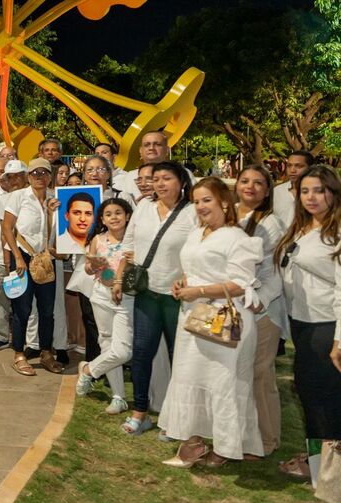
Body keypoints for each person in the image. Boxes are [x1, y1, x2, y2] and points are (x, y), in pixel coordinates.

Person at [158, 178, 263, 467]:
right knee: (189, 378)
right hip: (193, 319)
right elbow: (193, 268)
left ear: (224, 202)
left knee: (223, 384)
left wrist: (199, 291)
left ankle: (225, 447)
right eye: (196, 201)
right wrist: (183, 282)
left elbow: (241, 283)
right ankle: (193, 443)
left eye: (207, 200)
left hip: (223, 322)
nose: (201, 206)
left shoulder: (237, 238)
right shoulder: (196, 234)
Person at [274, 164, 341, 483]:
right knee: (311, 399)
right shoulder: (300, 228)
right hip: (301, 325)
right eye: (305, 191)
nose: (311, 197)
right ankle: (318, 465)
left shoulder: (337, 231)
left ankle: (329, 475)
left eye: (319, 190)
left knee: (324, 402)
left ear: (333, 192)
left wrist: (340, 340)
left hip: (327, 328)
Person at [120, 161, 197, 435]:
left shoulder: (192, 213)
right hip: (146, 294)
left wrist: (189, 278)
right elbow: (128, 244)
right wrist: (122, 275)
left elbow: (200, 250)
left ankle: (176, 419)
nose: (160, 183)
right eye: (156, 179)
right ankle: (140, 412)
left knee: (181, 358)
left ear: (182, 182)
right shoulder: (143, 207)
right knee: (141, 353)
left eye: (167, 178)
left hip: (178, 297)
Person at [235, 164, 287, 456]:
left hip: (263, 311)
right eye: (245, 181)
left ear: (267, 191)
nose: (250, 187)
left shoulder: (271, 223)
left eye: (258, 183)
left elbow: (275, 273)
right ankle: (244, 435)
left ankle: (267, 440)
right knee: (241, 375)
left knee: (259, 375)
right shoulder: (229, 215)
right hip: (235, 309)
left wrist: (259, 302)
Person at [2, 158, 62, 375]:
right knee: (22, 309)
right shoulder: (18, 196)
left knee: (47, 310)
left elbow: (64, 228)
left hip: (46, 259)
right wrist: (17, 258)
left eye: (44, 173)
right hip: (24, 259)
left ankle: (46, 352)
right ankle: (19, 354)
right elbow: (7, 229)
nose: (40, 177)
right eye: (35, 173)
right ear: (28, 176)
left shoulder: (56, 197)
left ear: (50, 176)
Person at [75, 198, 134, 415]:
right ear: (102, 219)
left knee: (124, 350)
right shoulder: (97, 240)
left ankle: (89, 369)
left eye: (118, 213)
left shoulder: (134, 241)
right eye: (109, 214)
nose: (114, 217)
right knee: (107, 344)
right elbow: (89, 270)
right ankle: (119, 397)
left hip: (126, 299)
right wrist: (94, 265)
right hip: (100, 295)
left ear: (128, 216)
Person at [0, 159, 26, 351]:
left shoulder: (32, 196)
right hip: (3, 260)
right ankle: (1, 336)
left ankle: (25, 338)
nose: (14, 181)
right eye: (9, 177)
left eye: (18, 176)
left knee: (24, 302)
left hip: (27, 259)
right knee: (1, 298)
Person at [116, 130, 172, 198]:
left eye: (157, 144)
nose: (151, 148)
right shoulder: (130, 177)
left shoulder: (180, 174)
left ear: (167, 150)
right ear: (140, 151)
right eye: (147, 145)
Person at [272, 150, 314, 228]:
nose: (292, 170)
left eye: (298, 166)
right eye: (289, 166)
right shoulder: (277, 192)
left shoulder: (320, 195)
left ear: (310, 168)